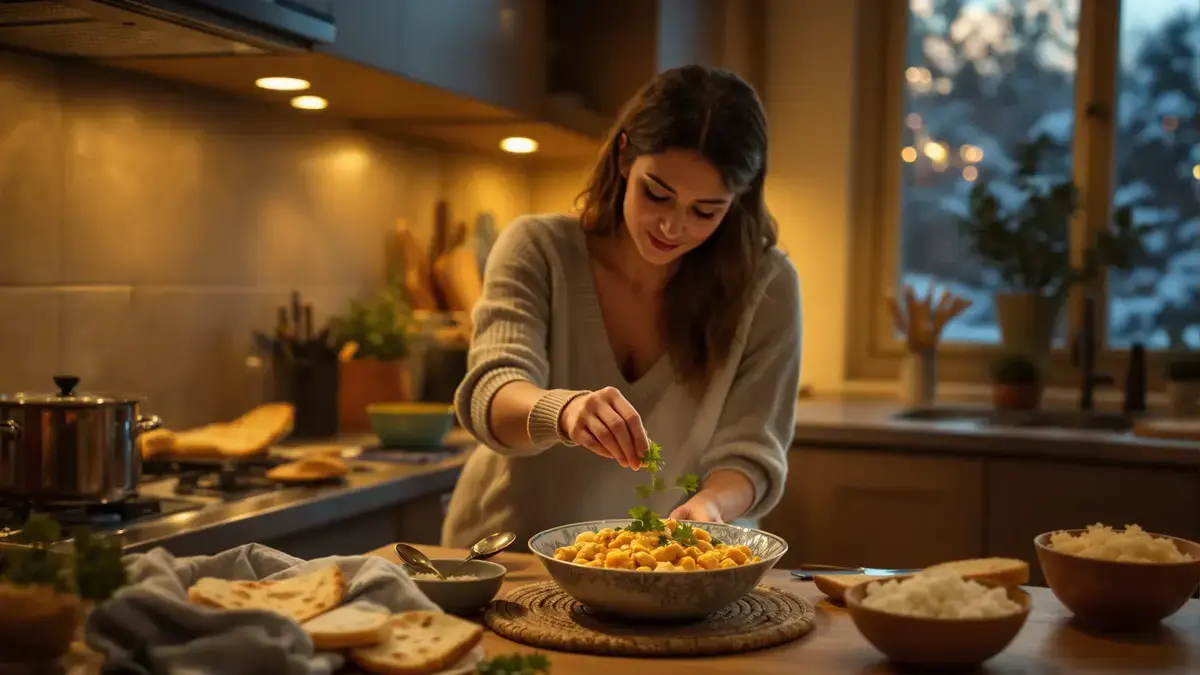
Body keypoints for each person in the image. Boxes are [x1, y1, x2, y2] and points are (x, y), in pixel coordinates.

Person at [441, 65, 801, 549]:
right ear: (625, 156)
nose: (672, 227)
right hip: (508, 553)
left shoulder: (768, 286)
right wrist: (564, 411)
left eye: (705, 211)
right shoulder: (537, 248)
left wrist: (711, 508)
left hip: (669, 559)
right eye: (658, 193)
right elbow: (492, 392)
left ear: (738, 201)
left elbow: (754, 451)